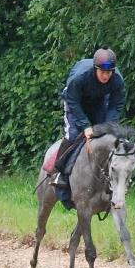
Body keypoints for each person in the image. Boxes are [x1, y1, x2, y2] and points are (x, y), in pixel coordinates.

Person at [50, 46, 125, 188]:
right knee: (72, 134)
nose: (105, 76)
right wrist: (85, 126)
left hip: (98, 102)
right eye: (102, 72)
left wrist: (108, 126)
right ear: (95, 69)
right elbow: (73, 101)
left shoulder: (117, 80)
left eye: (109, 72)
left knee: (106, 135)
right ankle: (60, 173)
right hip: (75, 101)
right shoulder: (80, 77)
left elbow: (115, 105)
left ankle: (108, 177)